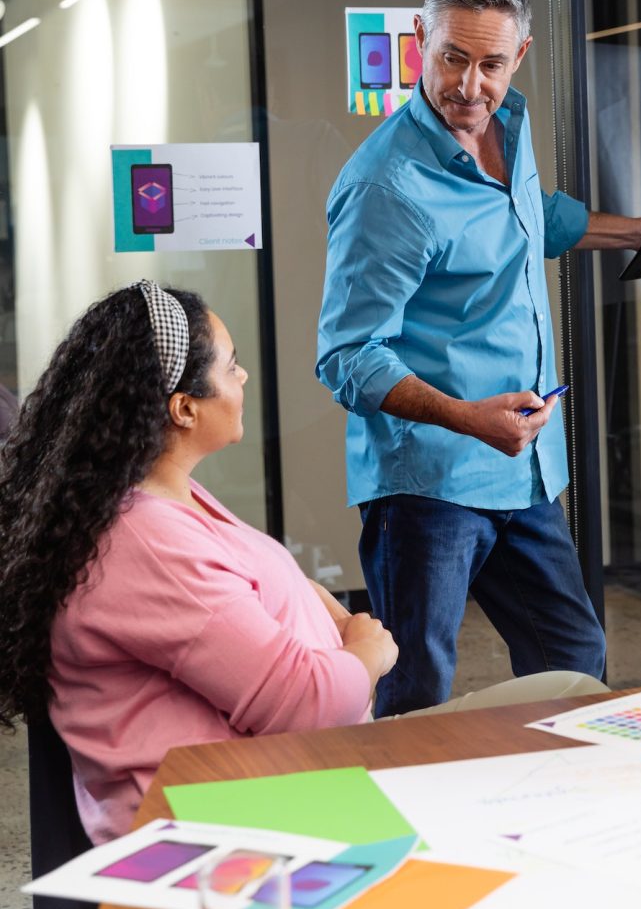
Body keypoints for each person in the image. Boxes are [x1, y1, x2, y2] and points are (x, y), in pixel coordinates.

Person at [317, 0, 641, 716]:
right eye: (452, 57)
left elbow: (538, 219)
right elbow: (347, 358)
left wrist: (636, 231)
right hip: (428, 484)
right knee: (415, 686)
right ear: (419, 40)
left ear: (518, 56)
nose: (469, 85)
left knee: (572, 658)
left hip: (522, 473)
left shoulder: (509, 127)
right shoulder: (384, 186)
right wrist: (468, 418)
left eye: (490, 63)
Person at [0, 281, 398, 845]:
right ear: (184, 408)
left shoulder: (158, 498)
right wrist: (368, 649)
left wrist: (309, 605)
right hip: (226, 839)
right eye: (231, 366)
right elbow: (306, 702)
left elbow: (233, 590)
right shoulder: (146, 542)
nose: (243, 378)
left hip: (275, 797)